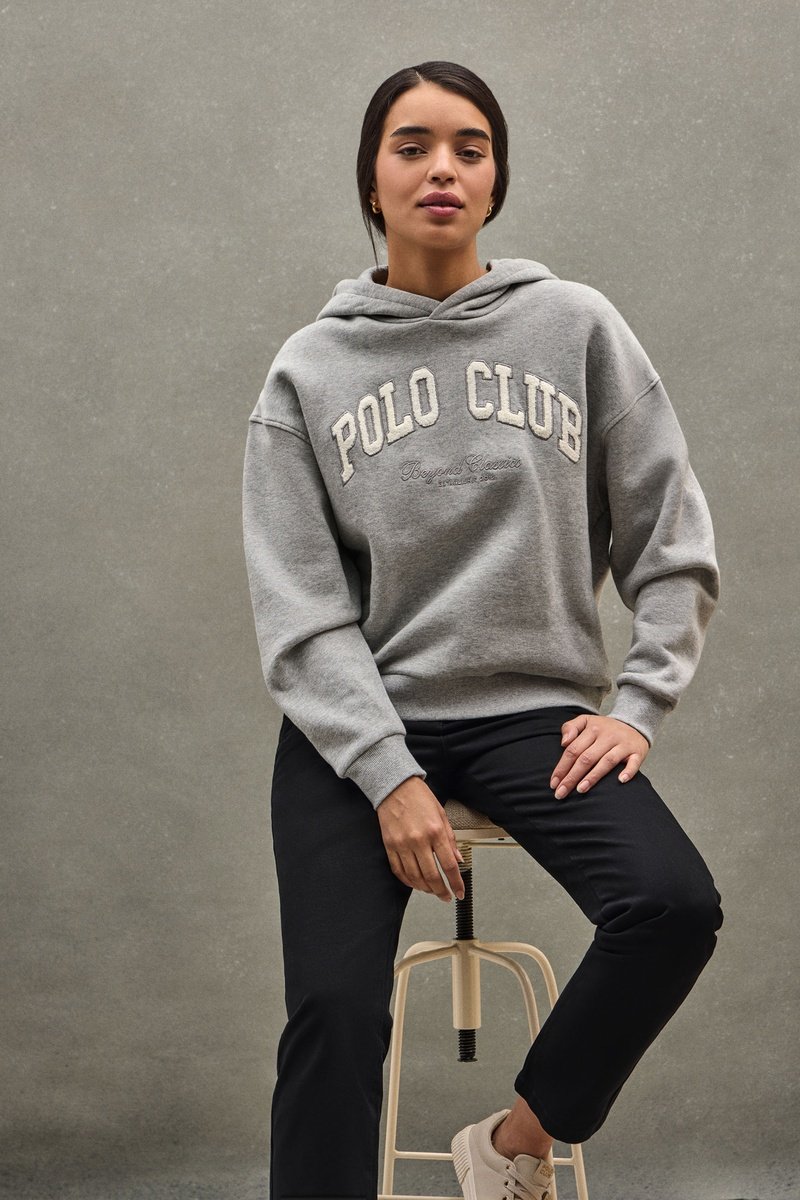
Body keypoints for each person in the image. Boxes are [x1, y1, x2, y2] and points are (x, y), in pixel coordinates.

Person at [242, 60, 723, 1200]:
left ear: (496, 179)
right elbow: (301, 611)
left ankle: (513, 1143)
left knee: (670, 905)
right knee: (335, 1009)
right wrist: (387, 773)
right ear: (370, 179)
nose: (442, 170)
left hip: (529, 714)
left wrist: (638, 704)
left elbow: (671, 540)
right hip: (359, 723)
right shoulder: (309, 370)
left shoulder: (575, 327)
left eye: (469, 147)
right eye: (411, 147)